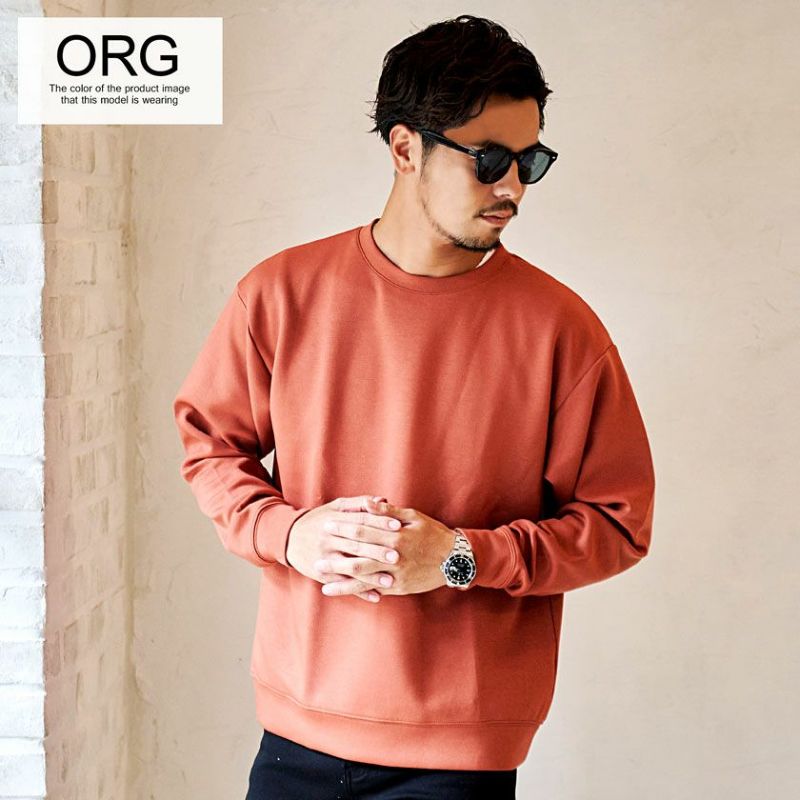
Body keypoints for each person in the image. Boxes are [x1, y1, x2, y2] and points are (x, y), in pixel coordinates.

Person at [172, 13, 656, 800]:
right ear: (405, 149)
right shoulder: (281, 295)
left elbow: (617, 524)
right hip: (294, 733)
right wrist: (288, 533)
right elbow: (210, 447)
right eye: (489, 159)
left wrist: (460, 557)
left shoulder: (561, 330)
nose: (513, 187)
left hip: (459, 757)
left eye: (530, 160)